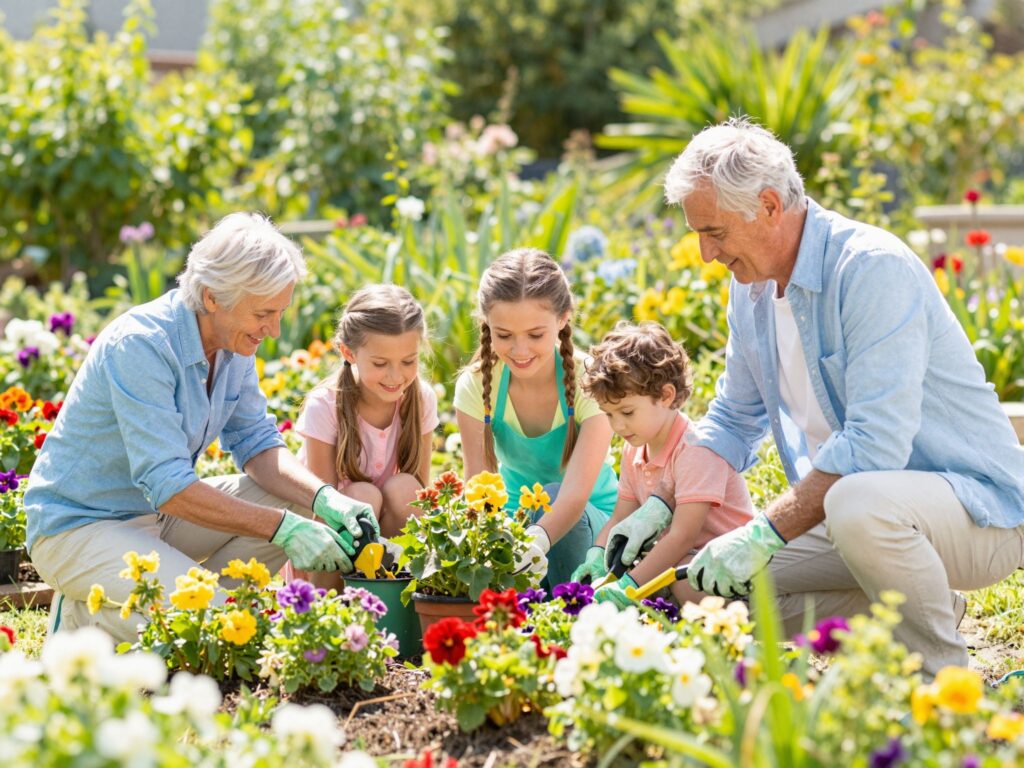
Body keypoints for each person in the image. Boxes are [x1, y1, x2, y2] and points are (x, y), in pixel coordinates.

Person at [642, 116, 1022, 677]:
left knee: (856, 502)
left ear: (769, 205)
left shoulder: (871, 269)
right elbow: (731, 417)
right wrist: (661, 500)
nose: (705, 254)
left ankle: (944, 687)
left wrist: (765, 532)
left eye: (715, 232)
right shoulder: (749, 292)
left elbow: (875, 446)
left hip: (978, 517)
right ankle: (920, 611)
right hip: (862, 516)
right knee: (701, 590)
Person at [25, 213, 380, 643]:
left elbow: (256, 443)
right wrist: (280, 528)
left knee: (299, 501)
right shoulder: (142, 346)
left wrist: (325, 499)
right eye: (264, 313)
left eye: (281, 312)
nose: (275, 330)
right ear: (212, 297)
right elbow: (169, 486)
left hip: (153, 520)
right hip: (78, 527)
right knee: (212, 628)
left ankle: (195, 611)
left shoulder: (233, 342)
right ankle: (90, 617)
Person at [454, 248, 618, 586]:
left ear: (563, 319)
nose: (520, 350)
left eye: (535, 334)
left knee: (555, 496)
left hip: (592, 527)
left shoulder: (591, 382)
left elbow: (573, 497)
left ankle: (568, 613)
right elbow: (478, 484)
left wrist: (538, 540)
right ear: (487, 324)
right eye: (504, 335)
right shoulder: (476, 385)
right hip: (518, 523)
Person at [572, 322, 754, 608]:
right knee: (652, 573)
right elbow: (621, 517)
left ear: (666, 396)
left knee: (680, 581)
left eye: (627, 412)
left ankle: (728, 627)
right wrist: (596, 555)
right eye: (609, 414)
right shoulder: (635, 450)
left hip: (731, 565)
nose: (618, 425)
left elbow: (682, 537)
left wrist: (630, 587)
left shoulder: (696, 449)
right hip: (682, 559)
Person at [292, 284, 438, 590]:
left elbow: (419, 496)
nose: (396, 377)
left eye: (408, 362)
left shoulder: (420, 398)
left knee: (404, 488)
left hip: (389, 538)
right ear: (349, 353)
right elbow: (322, 508)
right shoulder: (326, 404)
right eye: (380, 364)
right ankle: (327, 607)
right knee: (361, 498)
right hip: (329, 544)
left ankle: (400, 596)